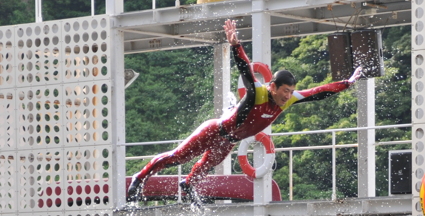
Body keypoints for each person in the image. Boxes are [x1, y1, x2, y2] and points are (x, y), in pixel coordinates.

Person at [126, 19, 364, 204]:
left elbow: (319, 92)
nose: (288, 95)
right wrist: (236, 46)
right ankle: (140, 177)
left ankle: (187, 187)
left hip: (228, 141)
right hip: (215, 131)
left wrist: (347, 83)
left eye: (291, 91)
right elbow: (246, 71)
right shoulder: (258, 93)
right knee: (179, 157)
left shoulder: (288, 101)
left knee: (205, 167)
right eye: (284, 91)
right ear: (273, 86)